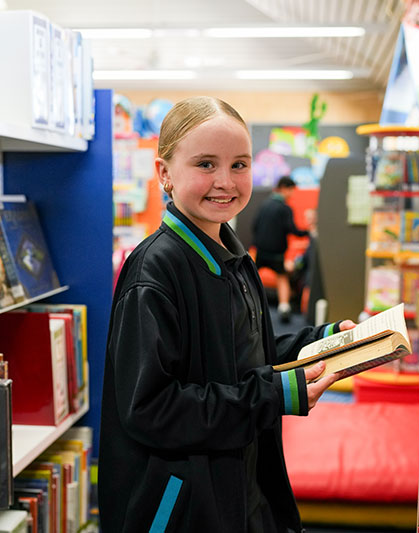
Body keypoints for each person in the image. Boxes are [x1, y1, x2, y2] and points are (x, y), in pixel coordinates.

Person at [98, 96, 355, 532]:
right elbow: (151, 409)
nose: (225, 181)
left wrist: (327, 341)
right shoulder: (155, 271)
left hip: (243, 481)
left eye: (239, 165)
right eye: (205, 164)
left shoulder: (232, 257)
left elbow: (244, 355)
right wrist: (274, 395)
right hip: (185, 507)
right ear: (164, 173)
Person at [252, 175, 311, 323]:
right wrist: (308, 233)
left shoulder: (264, 204)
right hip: (276, 252)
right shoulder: (285, 208)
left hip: (260, 249)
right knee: (282, 278)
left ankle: (249, 304)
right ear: (284, 188)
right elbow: (292, 229)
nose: (292, 194)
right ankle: (284, 308)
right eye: (291, 190)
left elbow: (255, 225)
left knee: (252, 277)